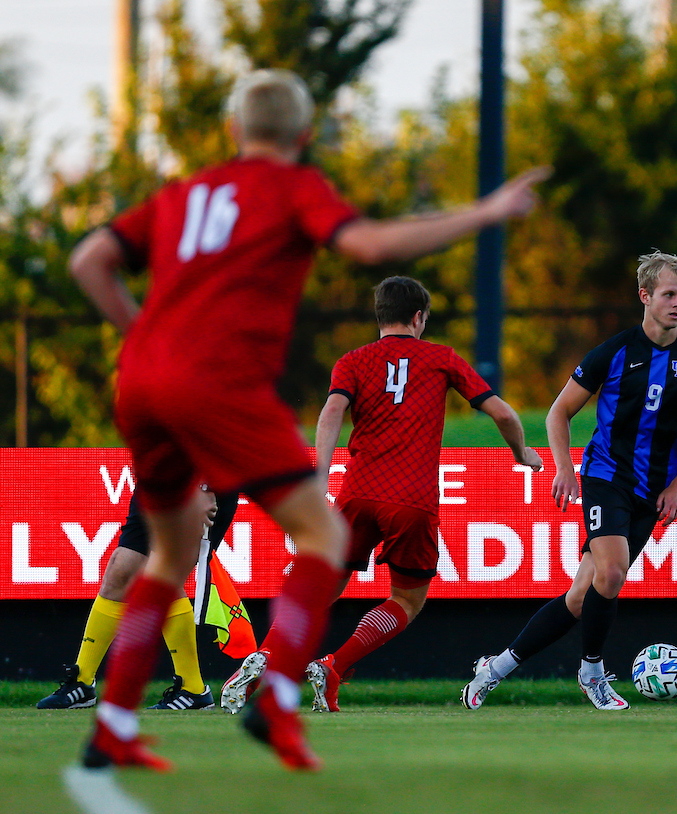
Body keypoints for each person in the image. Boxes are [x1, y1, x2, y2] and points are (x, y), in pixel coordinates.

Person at [69, 68, 548, 771]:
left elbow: (89, 260)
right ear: (303, 135)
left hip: (141, 381)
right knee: (320, 537)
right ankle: (281, 703)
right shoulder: (292, 187)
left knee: (170, 555)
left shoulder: (182, 194)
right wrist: (485, 212)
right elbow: (372, 247)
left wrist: (141, 338)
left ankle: (112, 726)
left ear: (234, 132)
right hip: (217, 382)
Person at [461, 250, 677, 711]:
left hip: (654, 490)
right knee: (613, 572)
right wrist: (565, 467)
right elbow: (558, 412)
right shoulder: (616, 352)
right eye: (668, 294)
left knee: (583, 596)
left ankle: (495, 668)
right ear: (645, 296)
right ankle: (593, 672)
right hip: (607, 477)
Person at [282, 276, 543, 713]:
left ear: (379, 316)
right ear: (419, 317)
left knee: (323, 585)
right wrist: (521, 453)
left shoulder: (353, 360)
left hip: (358, 493)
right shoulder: (441, 358)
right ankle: (335, 666)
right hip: (411, 500)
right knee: (406, 598)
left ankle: (270, 660)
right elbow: (503, 412)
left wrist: (320, 475)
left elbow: (331, 411)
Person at [37, 488, 239, 711]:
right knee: (120, 571)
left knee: (163, 573)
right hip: (160, 482)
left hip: (197, 486)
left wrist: (204, 488)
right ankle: (82, 683)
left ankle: (193, 690)